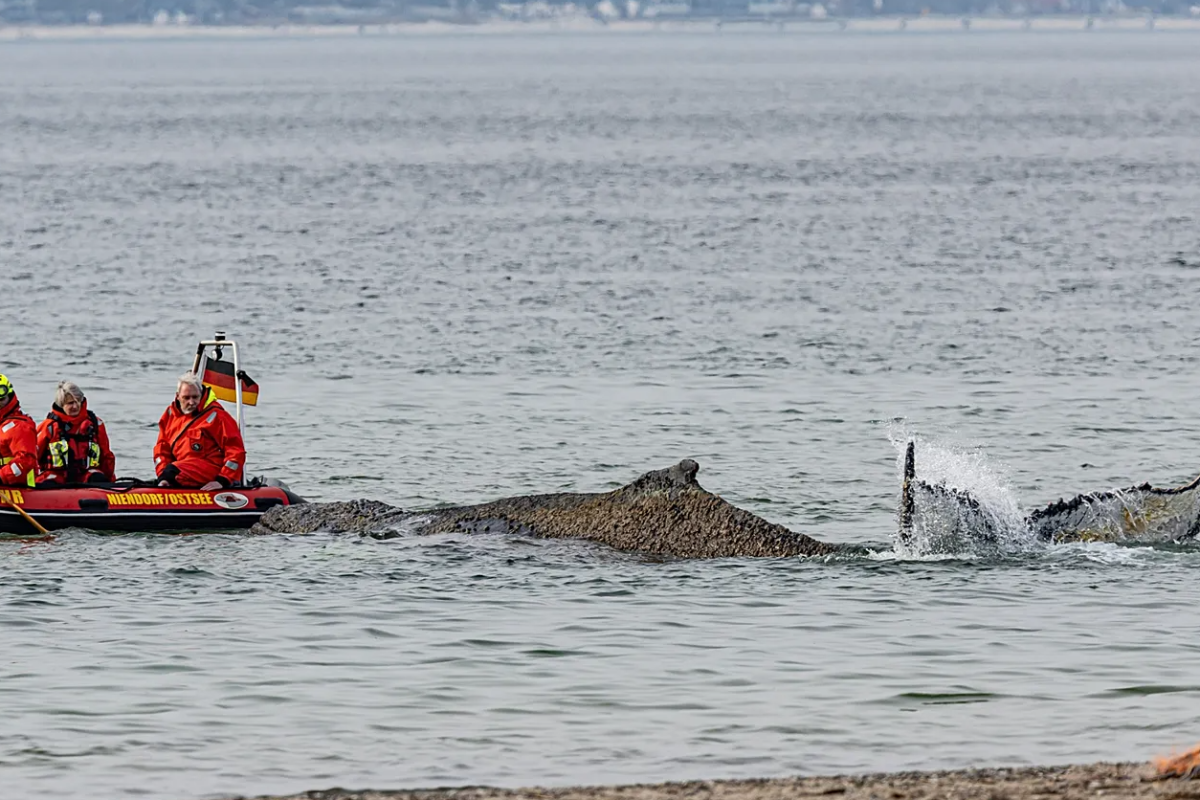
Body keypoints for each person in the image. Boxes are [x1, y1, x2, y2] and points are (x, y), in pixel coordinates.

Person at [154, 373, 246, 491]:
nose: (191, 402)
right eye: (186, 398)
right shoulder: (170, 415)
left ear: (201, 394)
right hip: (181, 470)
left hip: (210, 468)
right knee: (170, 471)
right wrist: (163, 477)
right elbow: (162, 450)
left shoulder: (217, 416)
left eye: (195, 397)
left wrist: (223, 480)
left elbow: (235, 451)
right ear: (177, 396)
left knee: (173, 470)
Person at [36, 381, 117, 485]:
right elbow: (33, 456)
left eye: (77, 401)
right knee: (47, 482)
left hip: (86, 475)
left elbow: (106, 456)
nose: (75, 406)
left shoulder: (95, 424)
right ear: (61, 405)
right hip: (58, 475)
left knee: (98, 477)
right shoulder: (49, 427)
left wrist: (112, 484)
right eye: (70, 403)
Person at [0, 373, 38, 489]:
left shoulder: (20, 426)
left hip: (20, 487)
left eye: (1, 399)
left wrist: (1, 476)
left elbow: (26, 460)